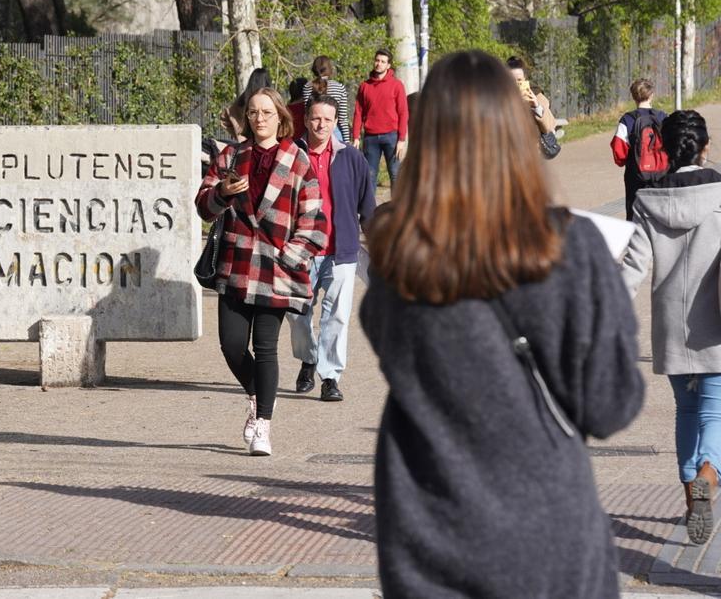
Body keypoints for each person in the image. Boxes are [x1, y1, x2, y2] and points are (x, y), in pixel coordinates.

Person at [361, 50, 644, 598]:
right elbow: (610, 404)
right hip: (547, 532)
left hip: (425, 526)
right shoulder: (570, 248)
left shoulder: (398, 260)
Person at [195, 87, 326, 456]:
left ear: (280, 116)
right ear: (246, 117)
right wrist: (220, 191)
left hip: (277, 269)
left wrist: (292, 255)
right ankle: (255, 395)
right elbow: (203, 206)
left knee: (266, 348)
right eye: (253, 112)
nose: (260, 118)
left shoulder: (297, 159)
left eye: (267, 112)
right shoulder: (230, 155)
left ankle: (263, 425)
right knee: (232, 345)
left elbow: (314, 218)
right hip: (236, 265)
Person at [622, 110, 721, 544]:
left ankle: (689, 500)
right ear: (706, 146)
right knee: (716, 414)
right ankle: (709, 476)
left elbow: (632, 268)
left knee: (685, 413)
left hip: (669, 330)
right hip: (716, 325)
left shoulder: (647, 199)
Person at [290, 95, 376, 402]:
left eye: (327, 119)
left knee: (337, 316)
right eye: (315, 118)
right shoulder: (290, 155)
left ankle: (329, 376)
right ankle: (308, 358)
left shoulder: (351, 158)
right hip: (299, 250)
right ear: (306, 119)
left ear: (335, 121)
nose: (321, 124)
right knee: (297, 312)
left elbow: (367, 205)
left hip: (341, 249)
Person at [612, 78, 669, 220]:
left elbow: (619, 152)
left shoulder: (627, 120)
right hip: (661, 174)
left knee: (634, 214)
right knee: (660, 214)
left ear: (633, 97)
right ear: (652, 95)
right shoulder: (663, 117)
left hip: (635, 174)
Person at [351, 49, 408, 190]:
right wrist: (356, 137)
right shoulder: (365, 86)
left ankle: (398, 210)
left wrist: (401, 139)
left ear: (388, 65)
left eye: (383, 62)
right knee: (369, 177)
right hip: (371, 138)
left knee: (396, 175)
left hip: (392, 137)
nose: (379, 64)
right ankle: (369, 211)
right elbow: (358, 112)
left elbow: (403, 112)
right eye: (377, 60)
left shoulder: (397, 85)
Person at [506, 56, 558, 153]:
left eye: (519, 80)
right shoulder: (499, 97)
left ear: (525, 78)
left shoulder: (536, 95)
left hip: (531, 154)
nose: (516, 85)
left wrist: (536, 106)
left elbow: (550, 129)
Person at [302, 55, 350, 143]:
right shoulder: (339, 87)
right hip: (334, 132)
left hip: (314, 132)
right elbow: (342, 119)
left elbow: (308, 113)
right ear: (330, 69)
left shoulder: (307, 87)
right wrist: (347, 142)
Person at [219, 67, 272, 141]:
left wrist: (237, 131)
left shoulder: (243, 99)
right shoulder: (270, 99)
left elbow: (225, 116)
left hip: (245, 143)